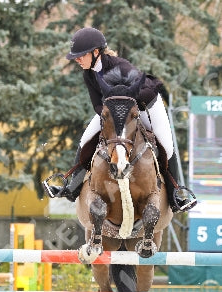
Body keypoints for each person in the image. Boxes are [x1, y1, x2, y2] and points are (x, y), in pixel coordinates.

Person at [44, 27, 196, 213]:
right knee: (85, 140)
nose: (77, 59)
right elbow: (97, 106)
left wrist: (125, 110)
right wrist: (112, 116)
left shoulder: (120, 66)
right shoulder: (89, 73)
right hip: (114, 113)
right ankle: (72, 187)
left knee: (166, 145)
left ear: (96, 52)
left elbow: (143, 90)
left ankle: (176, 195)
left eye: (81, 55)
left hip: (145, 106)